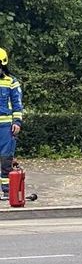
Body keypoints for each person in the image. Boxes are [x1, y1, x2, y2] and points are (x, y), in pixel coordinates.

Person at [0, 47, 22, 201]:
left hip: (6, 127)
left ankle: (8, 191)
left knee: (6, 160)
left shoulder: (11, 82)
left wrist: (17, 122)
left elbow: (17, 104)